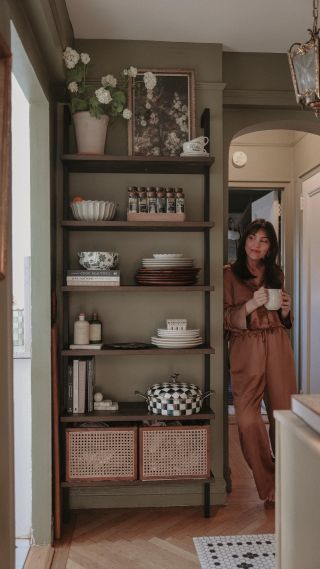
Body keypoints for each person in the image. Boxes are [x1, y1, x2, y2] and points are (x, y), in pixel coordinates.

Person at [223, 218, 297, 504]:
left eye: (263, 240)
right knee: (247, 420)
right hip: (246, 347)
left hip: (278, 344)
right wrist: (250, 305)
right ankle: (268, 486)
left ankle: (289, 480)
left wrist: (288, 312)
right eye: (252, 238)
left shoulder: (276, 272)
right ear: (244, 241)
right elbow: (223, 319)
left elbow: (281, 318)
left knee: (285, 416)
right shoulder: (229, 274)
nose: (256, 244)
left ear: (270, 247)